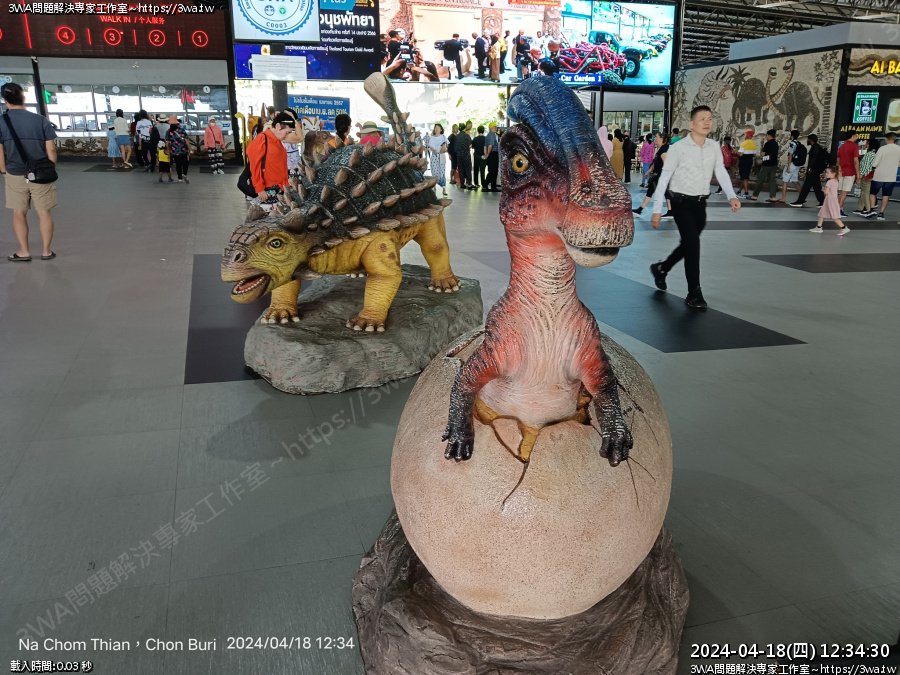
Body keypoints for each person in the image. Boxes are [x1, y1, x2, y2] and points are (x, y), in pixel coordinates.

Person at [649, 105, 741, 311]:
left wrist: (731, 195)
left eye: (710, 118)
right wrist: (656, 209)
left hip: (700, 204)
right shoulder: (678, 148)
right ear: (692, 124)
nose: (707, 122)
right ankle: (694, 292)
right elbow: (664, 177)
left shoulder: (713, 146)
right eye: (702, 119)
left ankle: (662, 268)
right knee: (693, 245)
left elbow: (720, 170)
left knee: (689, 244)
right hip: (681, 203)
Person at [0, 81, 59, 261]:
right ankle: (46, 251)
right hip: (40, 173)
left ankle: (24, 252)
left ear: (5, 101)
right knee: (44, 212)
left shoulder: (2, 122)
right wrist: (50, 167)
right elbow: (51, 150)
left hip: (15, 173)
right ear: (23, 98)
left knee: (19, 212)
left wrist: (3, 170)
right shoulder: (40, 120)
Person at [247, 111, 295, 210]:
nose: (287, 136)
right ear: (278, 126)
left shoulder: (278, 141)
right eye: (287, 132)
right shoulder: (262, 139)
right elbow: (254, 165)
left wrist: (286, 185)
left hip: (280, 189)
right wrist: (259, 188)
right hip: (267, 191)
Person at [632, 132, 671, 217]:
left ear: (662, 139)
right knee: (666, 193)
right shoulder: (661, 148)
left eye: (656, 137)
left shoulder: (664, 150)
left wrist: (661, 175)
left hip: (660, 175)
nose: (655, 139)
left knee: (650, 191)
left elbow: (667, 164)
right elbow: (656, 162)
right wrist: (649, 171)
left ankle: (639, 210)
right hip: (659, 175)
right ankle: (670, 211)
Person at [790, 134, 828, 207]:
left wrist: (810, 168)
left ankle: (800, 201)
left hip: (813, 170)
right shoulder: (816, 147)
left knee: (806, 187)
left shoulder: (815, 147)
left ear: (811, 140)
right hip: (815, 171)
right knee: (817, 187)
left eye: (808, 139)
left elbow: (813, 159)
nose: (807, 140)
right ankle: (822, 202)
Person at [810, 166, 849, 236]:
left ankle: (844, 228)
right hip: (830, 200)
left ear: (833, 173)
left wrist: (823, 189)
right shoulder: (836, 180)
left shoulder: (829, 182)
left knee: (835, 217)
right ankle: (818, 227)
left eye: (828, 173)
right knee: (822, 214)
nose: (826, 174)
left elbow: (826, 192)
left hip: (830, 201)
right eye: (826, 172)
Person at [869, 131, 900, 221]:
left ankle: (872, 209)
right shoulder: (899, 149)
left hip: (879, 176)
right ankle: (881, 213)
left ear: (887, 139)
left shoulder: (882, 148)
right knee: (886, 195)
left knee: (873, 193)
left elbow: (875, 163)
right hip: (891, 177)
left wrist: (872, 167)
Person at [750, 129, 779, 202]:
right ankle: (773, 197)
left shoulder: (767, 144)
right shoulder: (776, 144)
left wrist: (761, 156)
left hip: (766, 164)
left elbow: (762, 154)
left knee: (760, 180)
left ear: (769, 135)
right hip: (774, 164)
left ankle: (755, 196)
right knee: (772, 180)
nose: (766, 137)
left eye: (766, 135)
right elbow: (774, 155)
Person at [836, 130, 860, 217]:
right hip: (850, 172)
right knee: (844, 192)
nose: (857, 137)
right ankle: (838, 210)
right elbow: (856, 161)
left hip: (841, 172)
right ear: (853, 136)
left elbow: (838, 160)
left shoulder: (842, 146)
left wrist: (838, 171)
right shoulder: (855, 146)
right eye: (856, 135)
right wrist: (858, 174)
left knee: (841, 192)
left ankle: (837, 208)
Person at [853, 137, 878, 217]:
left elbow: (865, 166)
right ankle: (860, 208)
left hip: (865, 176)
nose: (865, 144)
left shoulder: (869, 154)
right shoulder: (875, 154)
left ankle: (868, 210)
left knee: (865, 193)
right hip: (870, 176)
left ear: (870, 144)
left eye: (867, 143)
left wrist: (859, 176)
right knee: (864, 192)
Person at [165, 115, 191, 184]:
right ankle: (184, 174)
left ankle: (180, 178)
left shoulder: (168, 131)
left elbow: (167, 143)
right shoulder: (181, 129)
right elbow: (186, 140)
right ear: (176, 123)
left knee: (178, 164)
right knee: (185, 163)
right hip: (183, 149)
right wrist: (189, 148)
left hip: (175, 150)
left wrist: (169, 150)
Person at [779, 129, 802, 203]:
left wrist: (788, 166)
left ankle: (783, 198)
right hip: (797, 164)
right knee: (795, 181)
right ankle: (802, 197)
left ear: (792, 136)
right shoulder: (799, 143)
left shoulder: (792, 143)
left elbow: (790, 155)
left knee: (785, 181)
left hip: (792, 164)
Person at [426, 123, 448, 197]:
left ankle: (444, 189)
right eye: (435, 128)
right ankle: (434, 186)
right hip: (434, 156)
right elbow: (430, 147)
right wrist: (433, 150)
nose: (436, 129)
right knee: (434, 171)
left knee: (442, 172)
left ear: (441, 129)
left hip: (441, 156)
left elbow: (446, 147)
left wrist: (444, 149)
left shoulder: (443, 137)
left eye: (438, 128)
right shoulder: (431, 138)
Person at [737, 130, 757, 198]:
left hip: (743, 161)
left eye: (746, 134)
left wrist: (735, 152)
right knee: (745, 177)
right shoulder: (754, 144)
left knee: (744, 177)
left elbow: (740, 154)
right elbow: (754, 155)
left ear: (748, 135)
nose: (745, 136)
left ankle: (746, 193)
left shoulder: (743, 143)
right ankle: (739, 191)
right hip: (750, 161)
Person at [455, 121, 474, 189]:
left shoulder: (457, 136)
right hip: (466, 155)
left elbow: (455, 148)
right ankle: (469, 184)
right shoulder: (467, 135)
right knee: (468, 169)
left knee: (461, 169)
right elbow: (471, 144)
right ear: (464, 128)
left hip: (459, 156)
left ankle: (462, 184)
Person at [483, 123, 500, 192]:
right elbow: (490, 146)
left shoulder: (487, 135)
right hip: (493, 154)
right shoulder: (492, 135)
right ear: (490, 128)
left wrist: (486, 155)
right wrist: (488, 154)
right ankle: (486, 185)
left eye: (496, 127)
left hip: (490, 155)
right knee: (493, 171)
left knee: (492, 171)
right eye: (494, 127)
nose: (495, 128)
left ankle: (492, 187)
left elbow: (485, 146)